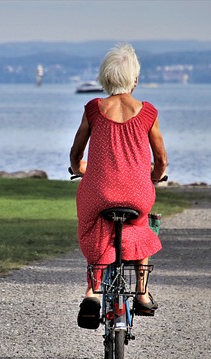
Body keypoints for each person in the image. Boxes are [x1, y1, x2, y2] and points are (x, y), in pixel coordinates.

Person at [69, 43, 168, 329]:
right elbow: (160, 158)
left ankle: (92, 293)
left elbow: (76, 154)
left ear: (105, 78)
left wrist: (80, 169)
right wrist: (156, 175)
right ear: (134, 79)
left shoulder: (93, 109)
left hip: (99, 191)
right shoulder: (148, 112)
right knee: (140, 226)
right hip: (137, 193)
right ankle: (142, 291)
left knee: (94, 225)